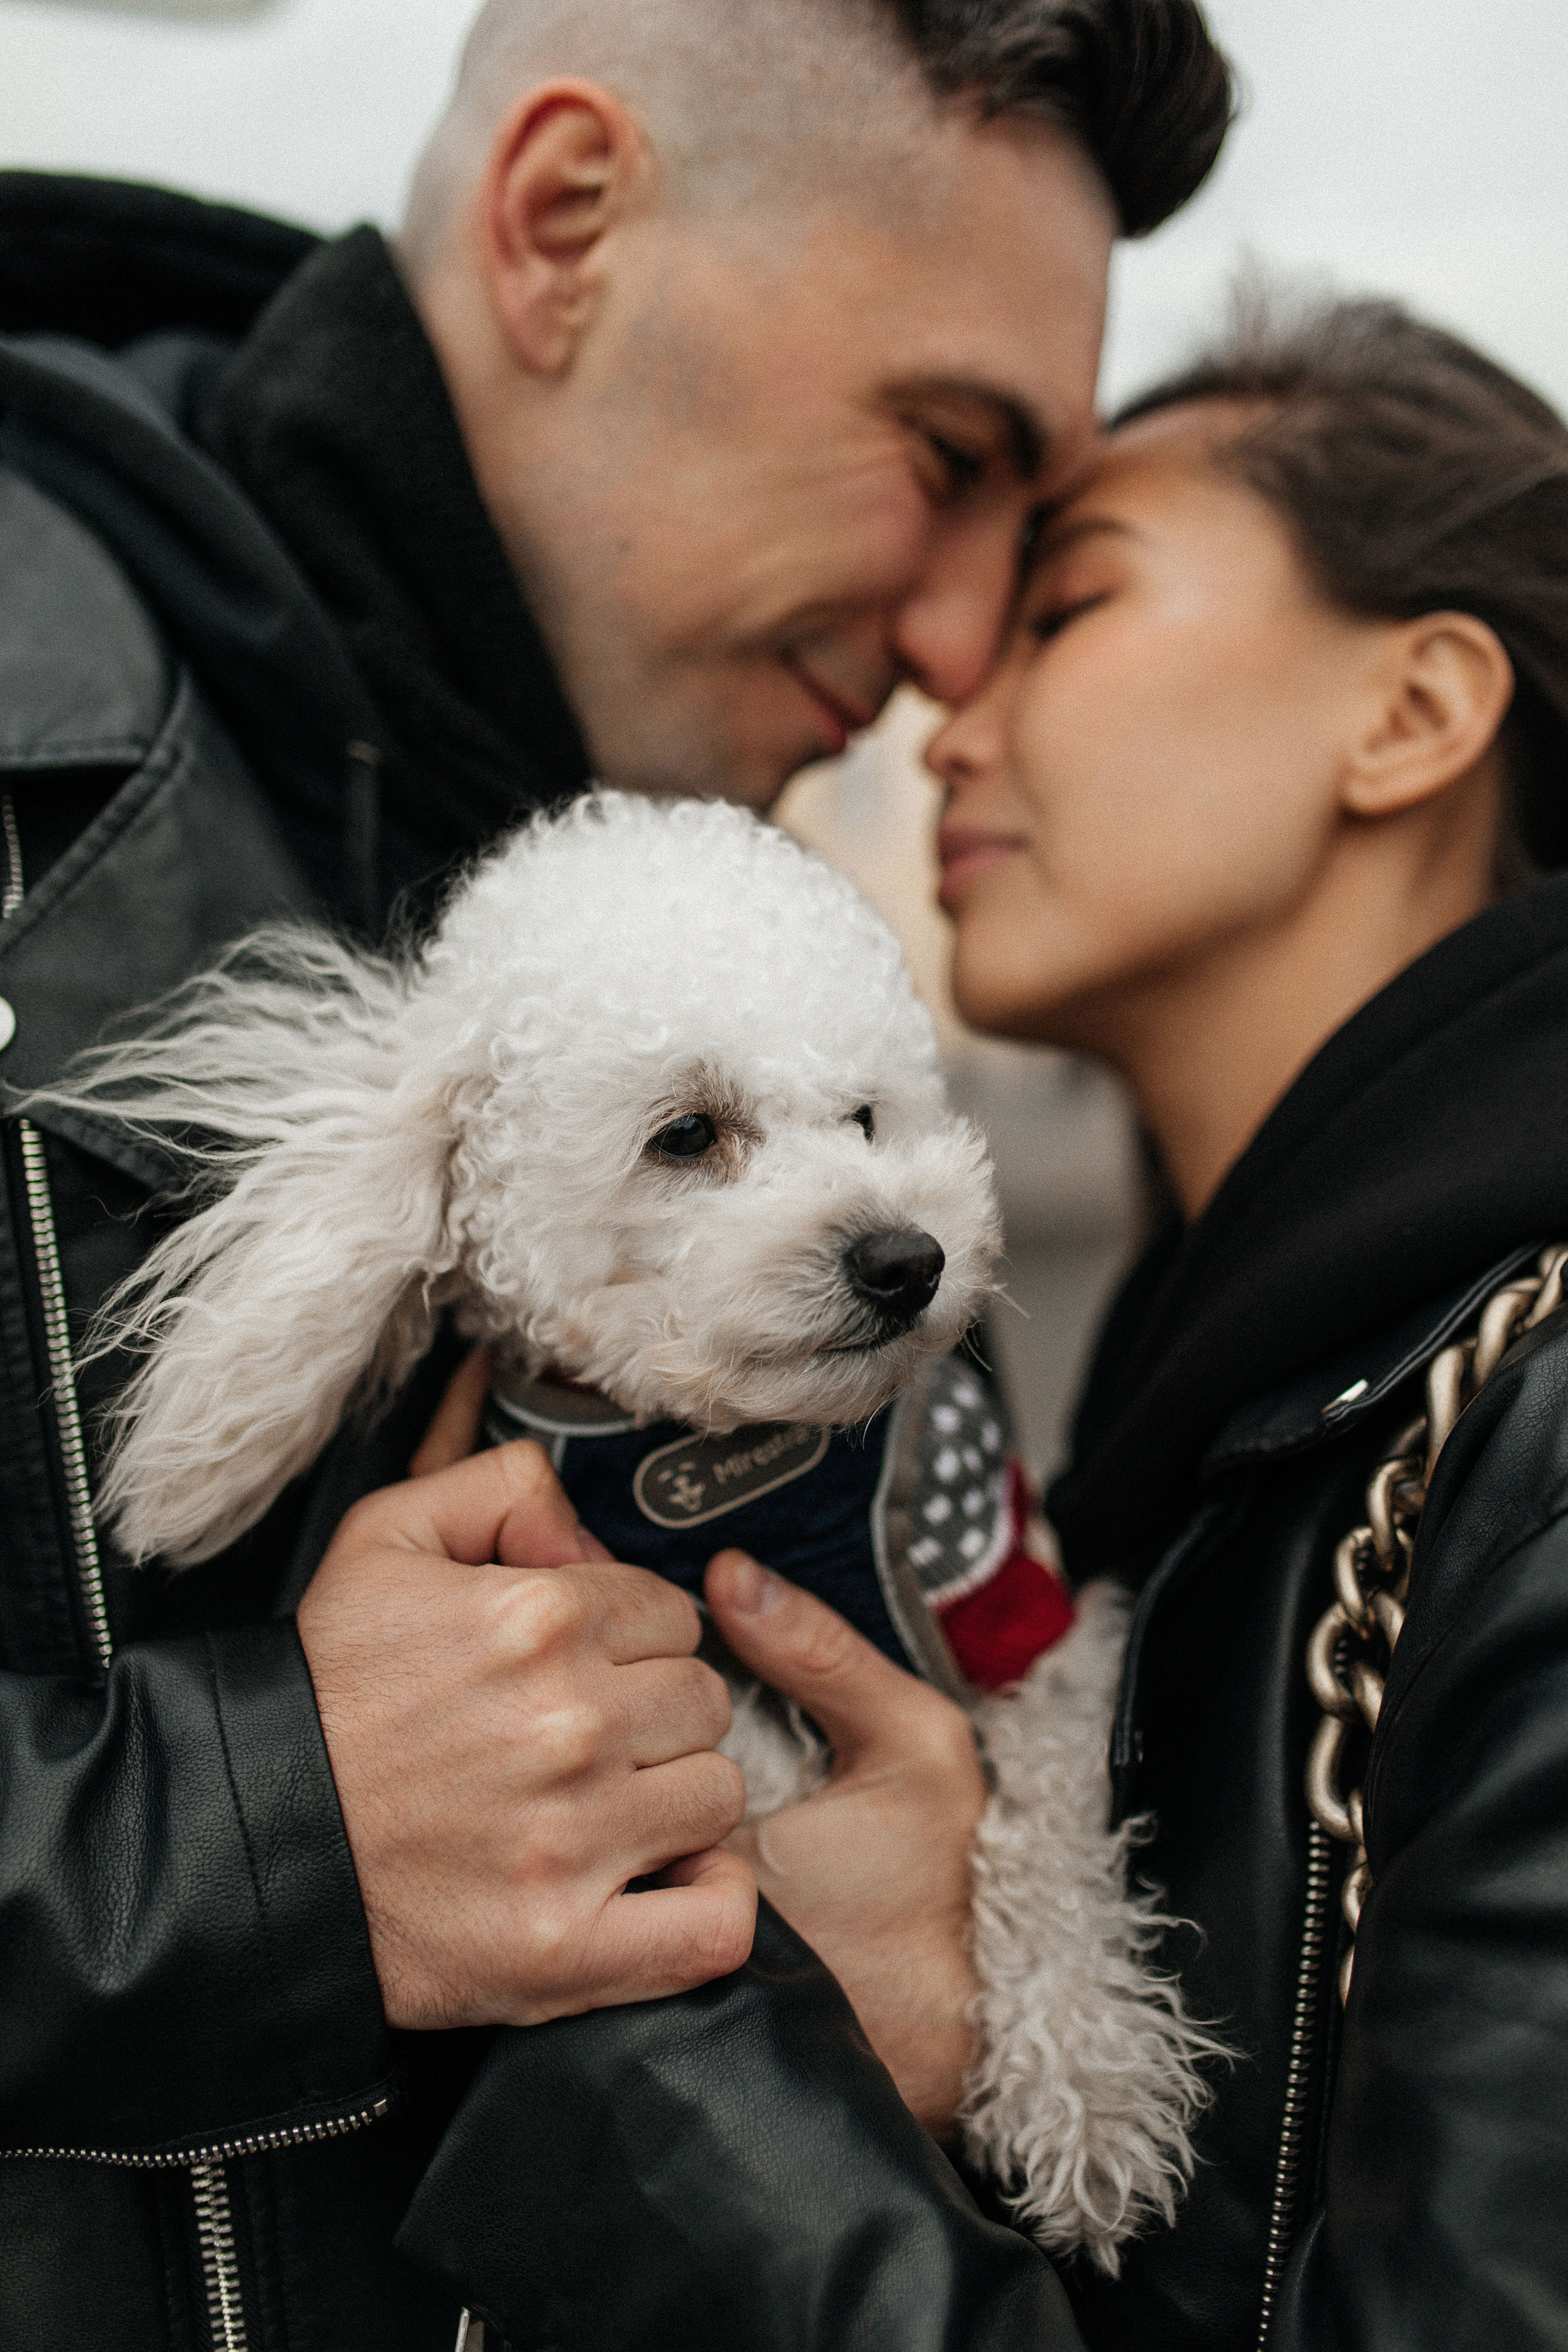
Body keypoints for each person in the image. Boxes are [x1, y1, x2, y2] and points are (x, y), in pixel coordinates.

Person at [0, 2, 1233, 2344]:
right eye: (943, 450)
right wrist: (276, 1835)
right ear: (567, 223)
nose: (964, 645)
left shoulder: (646, 896)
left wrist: (801, 2014)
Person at [410, 296, 1568, 2351]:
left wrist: (691, 2056)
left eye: (1068, 606)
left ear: (1414, 715)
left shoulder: (1535, 1427)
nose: (940, 702)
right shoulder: (1225, 1389)